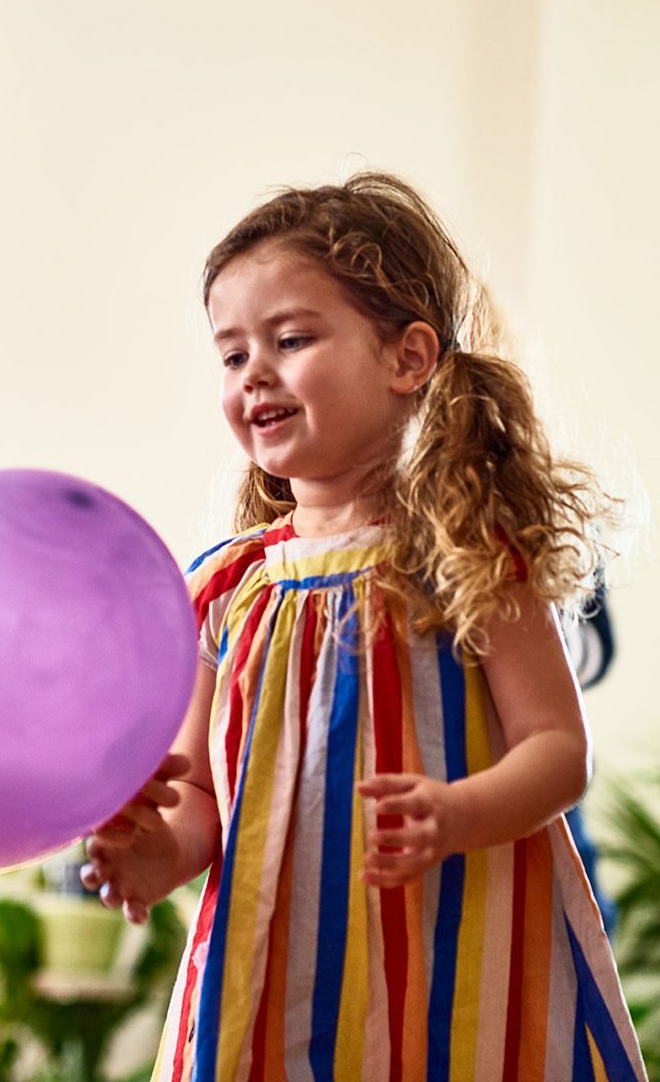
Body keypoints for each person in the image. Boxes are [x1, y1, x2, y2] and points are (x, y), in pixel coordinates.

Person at [82, 173, 644, 1080]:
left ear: (407, 359)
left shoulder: (465, 554)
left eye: (291, 339)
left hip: (460, 968)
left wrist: (458, 813)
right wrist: (156, 855)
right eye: (231, 356)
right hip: (272, 983)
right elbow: (198, 803)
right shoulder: (226, 588)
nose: (253, 373)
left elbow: (556, 748)